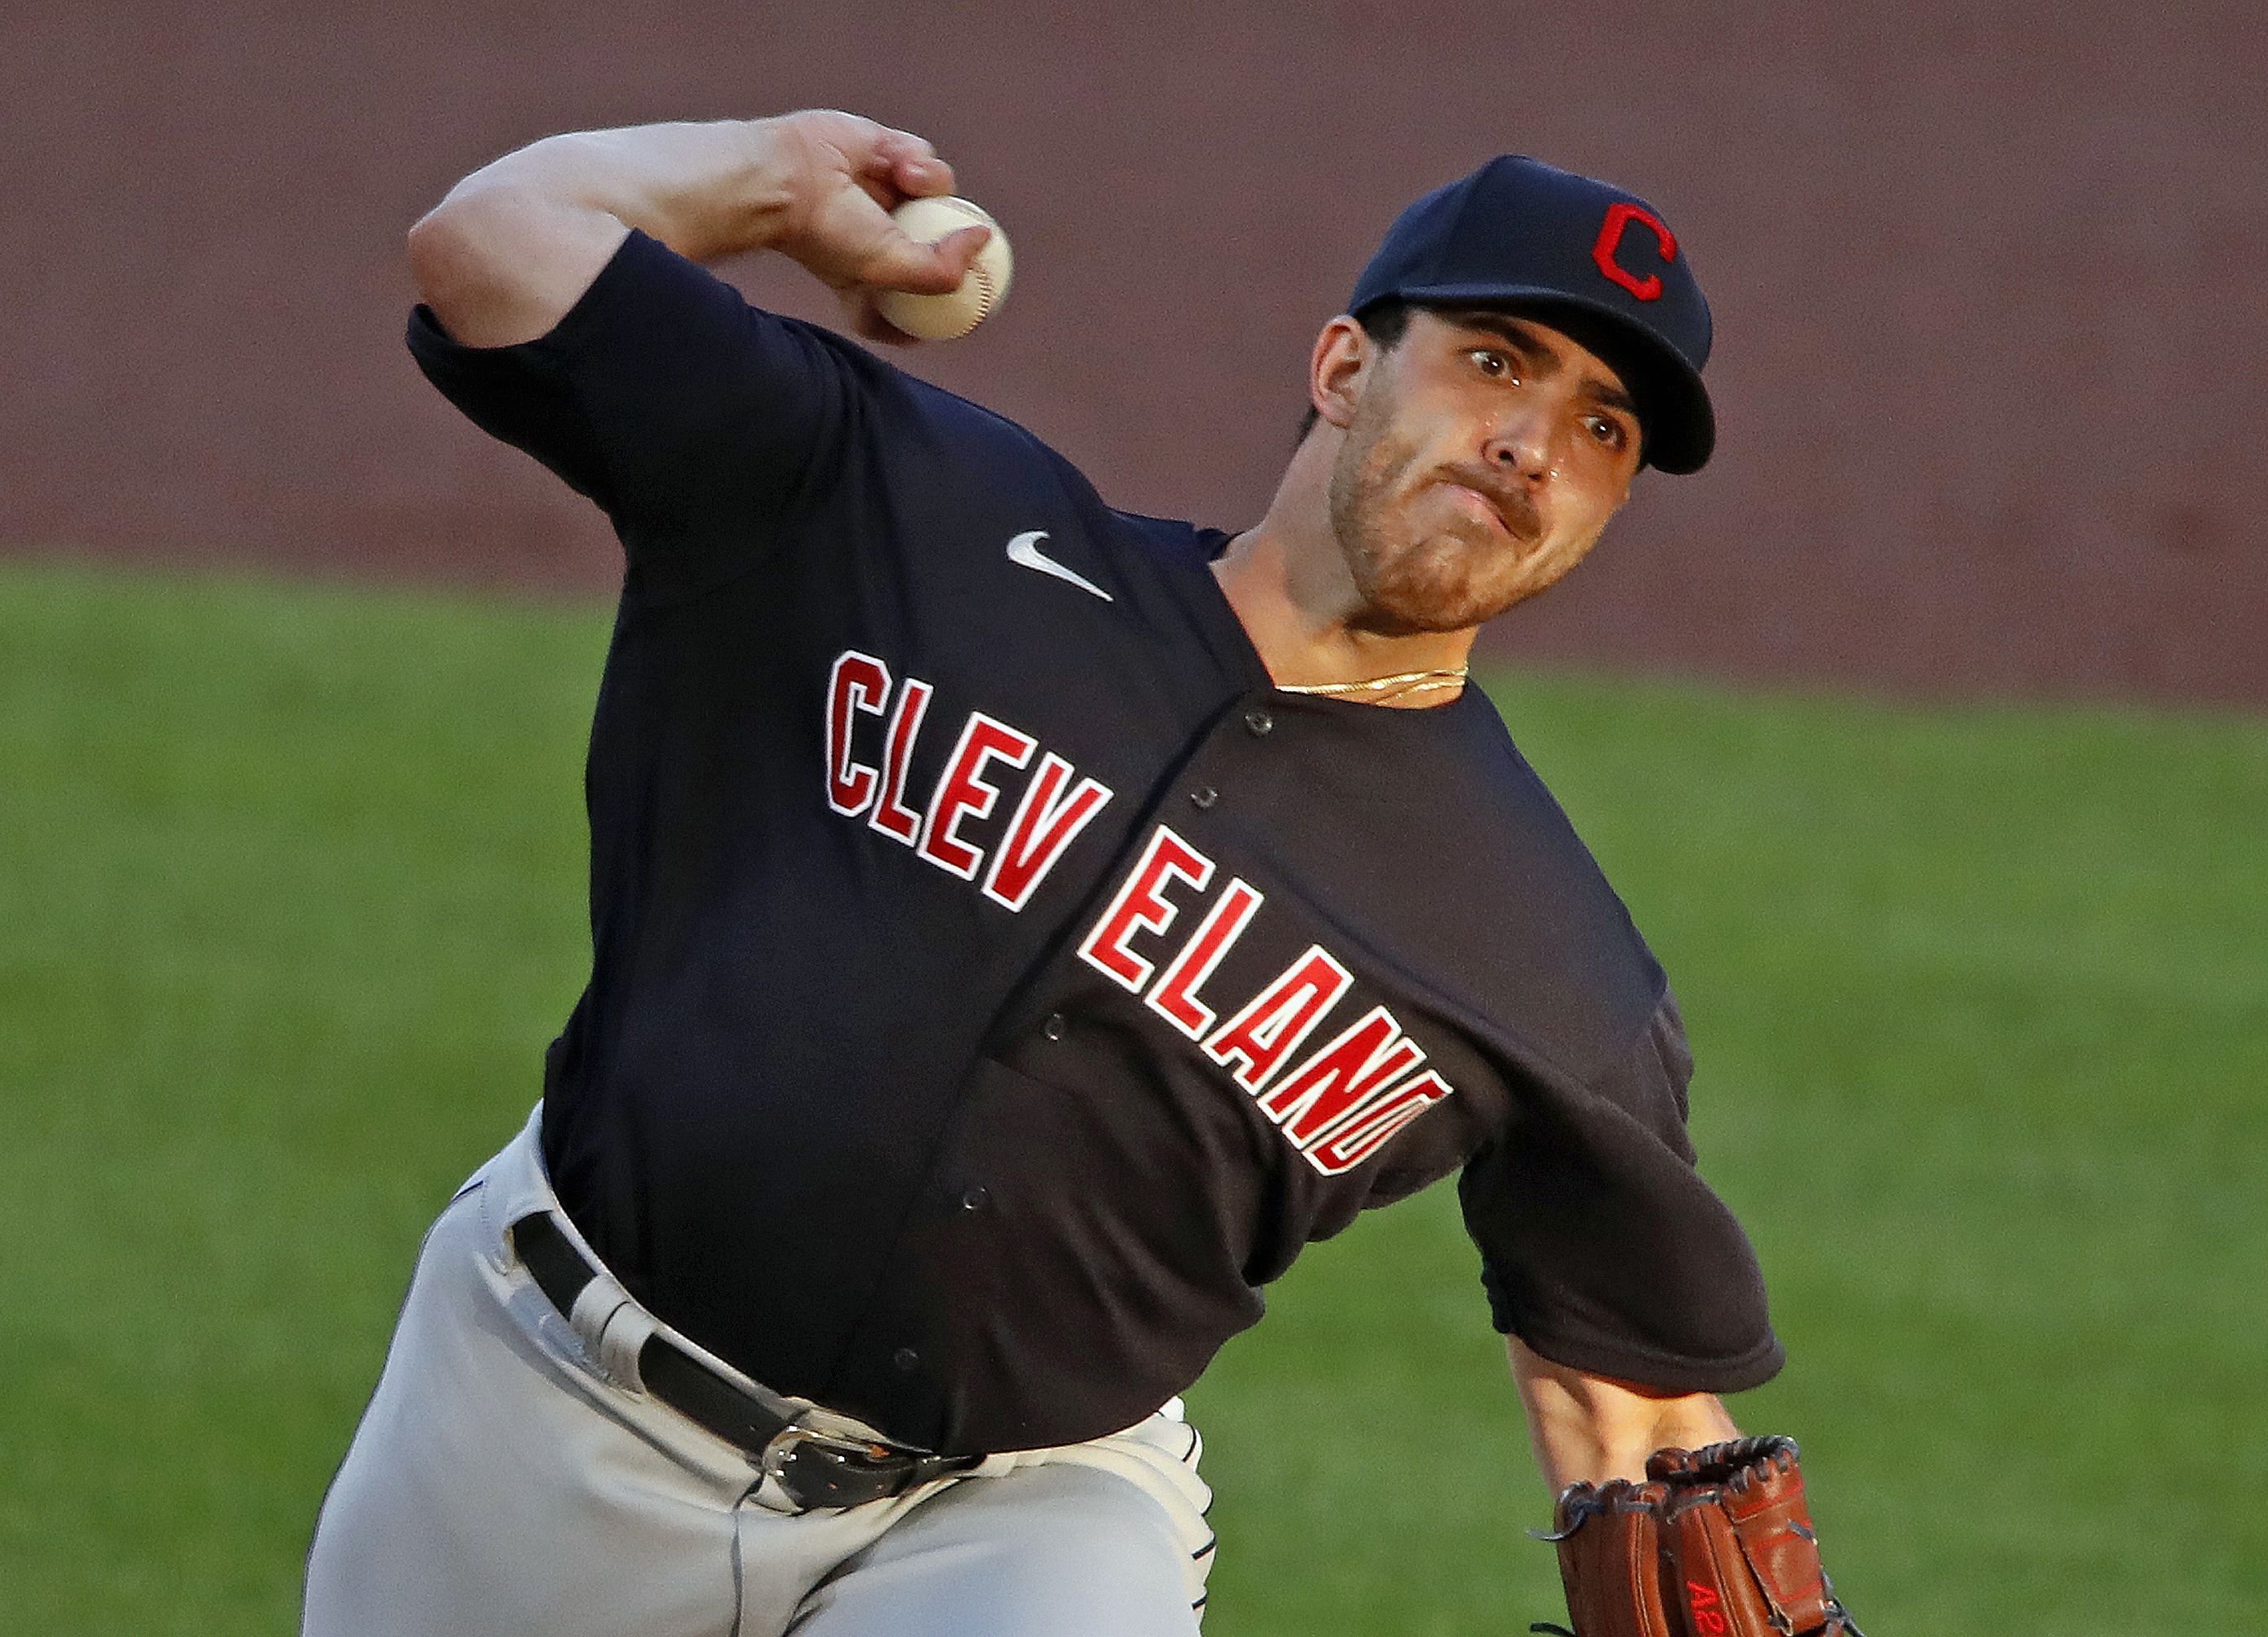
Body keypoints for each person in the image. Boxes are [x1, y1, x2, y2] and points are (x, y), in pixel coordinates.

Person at [302, 110, 1782, 1637]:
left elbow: (1641, 1436)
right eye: (1495, 362)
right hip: (544, 1399)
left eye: (1604, 430)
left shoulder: (1548, 957)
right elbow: (492, 250)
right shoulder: (901, 509)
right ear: (1344, 369)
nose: (1535, 443)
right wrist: (770, 186)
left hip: (1014, 1515)